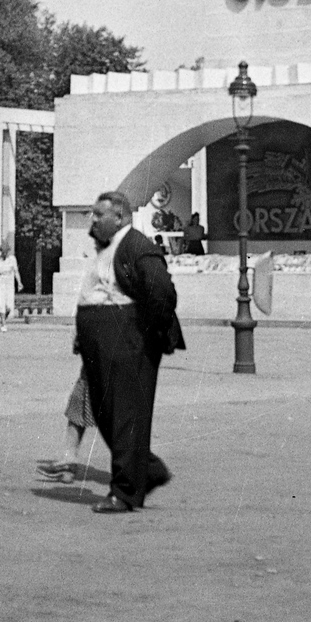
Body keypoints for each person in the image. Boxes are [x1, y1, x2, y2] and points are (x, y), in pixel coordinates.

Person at [73, 190, 183, 513]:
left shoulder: (137, 245)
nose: (92, 220)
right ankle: (146, 471)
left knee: (124, 416)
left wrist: (143, 335)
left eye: (98, 214)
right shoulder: (108, 249)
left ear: (119, 217)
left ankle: (124, 493)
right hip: (102, 341)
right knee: (105, 412)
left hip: (127, 341)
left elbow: (162, 292)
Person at [0, 243, 21, 331]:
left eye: (6, 252)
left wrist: (19, 282)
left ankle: (3, 318)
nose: (4, 253)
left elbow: (16, 271)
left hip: (9, 282)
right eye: (3, 252)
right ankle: (3, 324)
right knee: (1, 303)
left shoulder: (12, 259)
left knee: (9, 306)